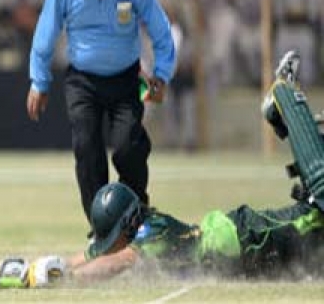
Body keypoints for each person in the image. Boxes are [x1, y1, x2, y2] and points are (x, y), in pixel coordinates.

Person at [66, 51, 324, 281]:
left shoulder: (151, 233)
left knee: (319, 199)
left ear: (127, 225)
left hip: (244, 237)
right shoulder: (144, 232)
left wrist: (66, 279)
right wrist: (42, 270)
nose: (110, 248)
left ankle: (284, 94)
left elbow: (109, 265)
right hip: (246, 240)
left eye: (111, 241)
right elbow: (91, 255)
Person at [26, 0, 176, 224]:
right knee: (86, 146)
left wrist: (161, 74)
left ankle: (137, 215)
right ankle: (101, 225)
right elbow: (45, 32)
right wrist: (38, 82)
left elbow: (160, 28)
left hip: (126, 79)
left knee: (127, 147)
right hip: (82, 81)